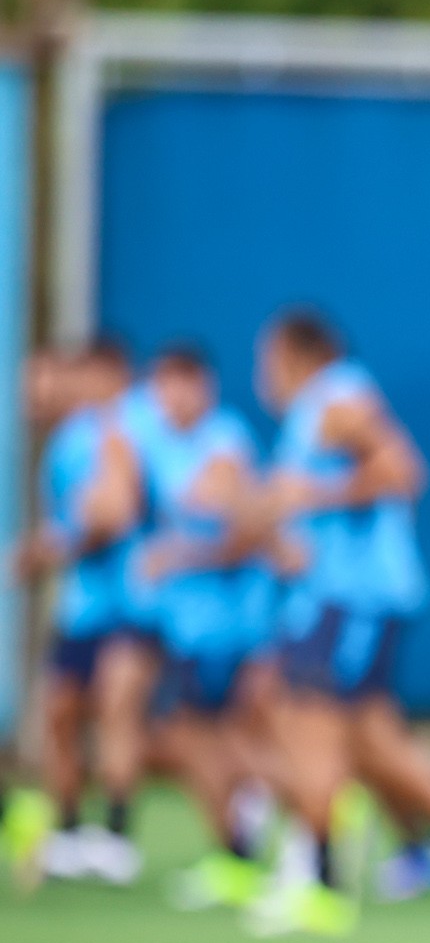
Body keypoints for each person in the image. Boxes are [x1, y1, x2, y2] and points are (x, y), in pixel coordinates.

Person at [253, 308, 430, 936]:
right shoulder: (311, 414)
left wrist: (311, 499)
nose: (263, 374)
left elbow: (402, 471)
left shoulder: (336, 399)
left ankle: (323, 880)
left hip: (353, 600)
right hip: (329, 597)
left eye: (267, 358)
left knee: (312, 725)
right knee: (368, 740)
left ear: (297, 354)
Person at [127, 345, 278, 911]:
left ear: (206, 387)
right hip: (189, 625)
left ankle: (318, 801)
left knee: (216, 736)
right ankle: (238, 852)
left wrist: (174, 556)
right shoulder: (158, 443)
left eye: (183, 386)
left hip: (235, 626)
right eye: (162, 386)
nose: (172, 398)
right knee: (192, 737)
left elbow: (247, 540)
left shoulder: (224, 443)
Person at [11, 341, 154, 887]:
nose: (34, 395)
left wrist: (49, 548)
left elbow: (111, 515)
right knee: (61, 711)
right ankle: (69, 833)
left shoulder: (121, 429)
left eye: (43, 381)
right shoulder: (66, 441)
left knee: (120, 707)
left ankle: (116, 836)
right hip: (83, 607)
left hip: (133, 602)